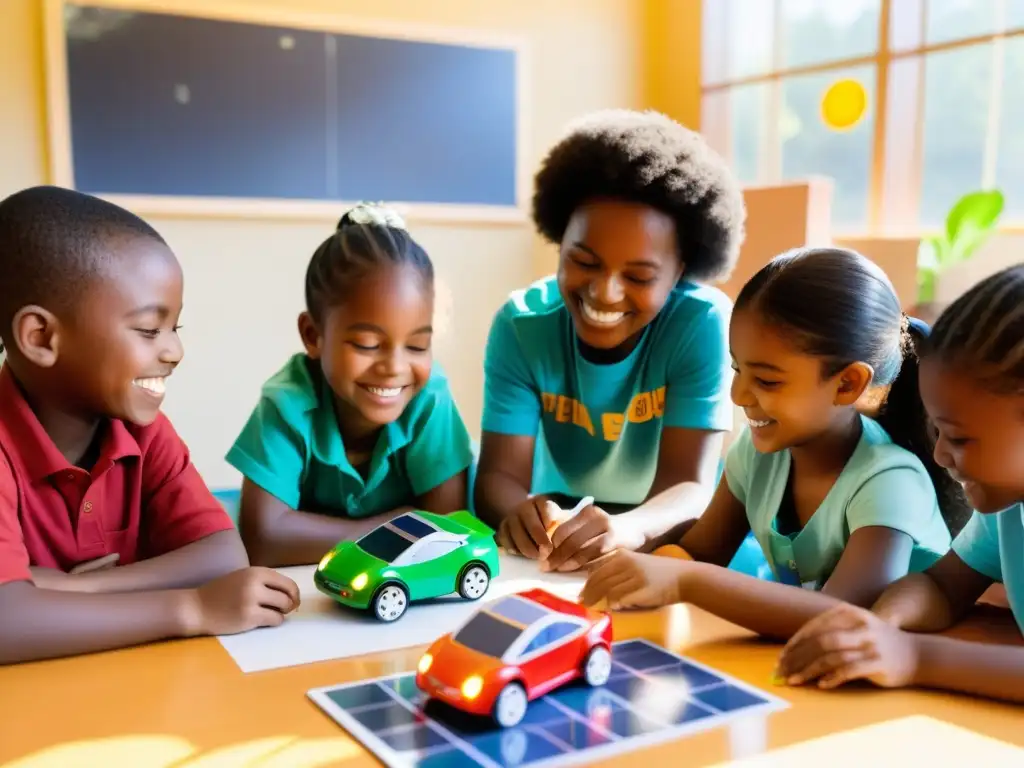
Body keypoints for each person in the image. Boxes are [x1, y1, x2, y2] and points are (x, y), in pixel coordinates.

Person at [580, 248, 967, 640]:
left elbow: (841, 617)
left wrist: (686, 580)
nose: (738, 395)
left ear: (847, 384)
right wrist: (636, 568)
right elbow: (698, 553)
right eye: (736, 368)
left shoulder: (890, 480)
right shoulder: (757, 453)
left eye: (766, 381)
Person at [0, 186, 299, 665]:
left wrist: (67, 587)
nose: (174, 351)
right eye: (147, 330)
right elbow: (7, 621)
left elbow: (223, 555)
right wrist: (192, 607)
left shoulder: (141, 428)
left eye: (174, 329)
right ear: (41, 337)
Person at [474, 109, 747, 573]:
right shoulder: (521, 326)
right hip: (558, 516)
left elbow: (690, 485)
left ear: (681, 271)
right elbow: (499, 477)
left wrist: (629, 528)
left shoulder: (701, 324)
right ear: (559, 243)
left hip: (665, 524)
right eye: (584, 261)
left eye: (638, 276)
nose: (605, 292)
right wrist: (515, 510)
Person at [775, 265, 1024, 704]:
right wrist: (881, 625)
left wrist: (912, 656)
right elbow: (941, 586)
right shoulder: (1007, 508)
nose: (941, 455)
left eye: (961, 437)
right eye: (937, 432)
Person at [227, 203, 473, 567]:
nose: (394, 367)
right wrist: (391, 526)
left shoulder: (429, 398)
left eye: (417, 345)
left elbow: (446, 534)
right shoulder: (287, 403)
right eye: (367, 345)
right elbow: (263, 540)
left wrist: (307, 531)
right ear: (313, 335)